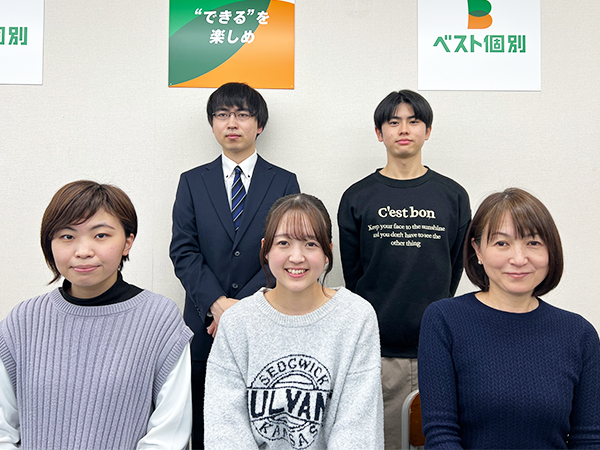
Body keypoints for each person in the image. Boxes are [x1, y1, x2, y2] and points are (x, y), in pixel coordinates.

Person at [0, 180, 193, 450]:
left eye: (100, 235)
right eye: (67, 236)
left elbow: (169, 435)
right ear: (49, 244)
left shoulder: (159, 319)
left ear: (127, 242)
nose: (83, 251)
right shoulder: (22, 321)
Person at [170, 82, 300, 448]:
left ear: (259, 125)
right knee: (204, 425)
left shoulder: (284, 181)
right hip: (205, 325)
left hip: (265, 320)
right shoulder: (192, 182)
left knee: (266, 422)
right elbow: (183, 250)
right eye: (222, 115)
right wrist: (216, 304)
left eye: (242, 114)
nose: (232, 122)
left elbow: (288, 252)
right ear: (212, 124)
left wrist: (241, 308)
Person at [337, 89, 470, 448]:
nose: (404, 129)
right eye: (394, 122)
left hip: (437, 350)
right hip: (377, 354)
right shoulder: (357, 197)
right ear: (379, 133)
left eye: (414, 121)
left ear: (428, 131)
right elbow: (354, 276)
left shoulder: (453, 196)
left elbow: (454, 268)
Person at [418, 188, 600, 449]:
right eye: (501, 243)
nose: (518, 259)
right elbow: (441, 434)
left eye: (533, 243)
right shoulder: (444, 320)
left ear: (551, 251)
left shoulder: (579, 333)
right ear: (478, 250)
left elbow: (589, 439)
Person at [204, 193, 384, 449]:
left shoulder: (356, 317)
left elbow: (357, 429)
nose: (297, 257)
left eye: (310, 244)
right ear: (266, 250)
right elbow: (225, 427)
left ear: (328, 252)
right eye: (284, 243)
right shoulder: (237, 322)